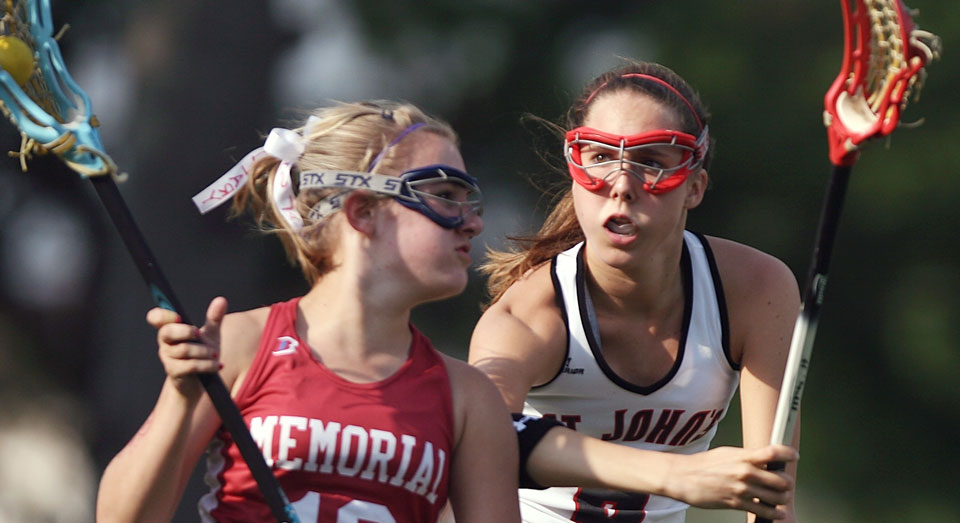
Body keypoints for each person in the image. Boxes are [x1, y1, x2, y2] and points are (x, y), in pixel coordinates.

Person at [96, 101, 522, 522]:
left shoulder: (469, 398)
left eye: (469, 200)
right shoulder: (239, 345)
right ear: (363, 212)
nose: (472, 223)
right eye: (444, 196)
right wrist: (180, 398)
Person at [469, 60, 801, 522]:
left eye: (651, 162)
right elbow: (477, 445)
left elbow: (771, 498)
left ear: (695, 187)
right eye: (600, 156)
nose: (621, 186)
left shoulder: (757, 290)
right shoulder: (527, 315)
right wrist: (675, 475)